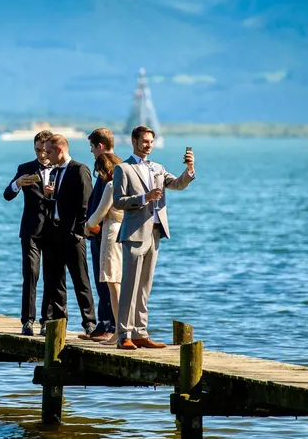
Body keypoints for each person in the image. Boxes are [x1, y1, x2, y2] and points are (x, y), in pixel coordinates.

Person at [112, 126, 195, 350]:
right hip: (134, 233)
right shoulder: (123, 169)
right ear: (134, 141)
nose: (148, 145)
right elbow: (119, 201)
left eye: (151, 141)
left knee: (145, 287)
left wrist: (189, 169)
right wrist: (144, 197)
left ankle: (140, 333)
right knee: (129, 286)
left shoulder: (158, 168)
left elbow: (177, 184)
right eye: (145, 141)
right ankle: (123, 335)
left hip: (156, 233)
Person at [42, 134, 97, 337]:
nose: (46, 156)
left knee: (80, 280)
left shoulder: (79, 169)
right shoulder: (55, 172)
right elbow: (56, 201)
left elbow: (86, 202)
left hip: (72, 235)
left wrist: (78, 231)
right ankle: (58, 323)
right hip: (54, 233)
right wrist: (48, 196)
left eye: (49, 152)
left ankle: (90, 323)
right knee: (55, 281)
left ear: (60, 150)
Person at [4, 129, 55, 336]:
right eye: (37, 150)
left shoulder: (62, 169)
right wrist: (17, 184)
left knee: (52, 276)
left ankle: (47, 321)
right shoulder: (25, 168)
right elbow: (7, 195)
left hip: (54, 229)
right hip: (31, 229)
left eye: (44, 150)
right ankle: (27, 321)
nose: (41, 155)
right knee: (31, 274)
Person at [84, 152, 124, 345]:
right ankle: (128, 330)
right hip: (127, 236)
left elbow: (99, 213)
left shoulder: (111, 185)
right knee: (125, 285)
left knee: (112, 284)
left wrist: (86, 226)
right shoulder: (131, 185)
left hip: (111, 234)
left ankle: (117, 332)